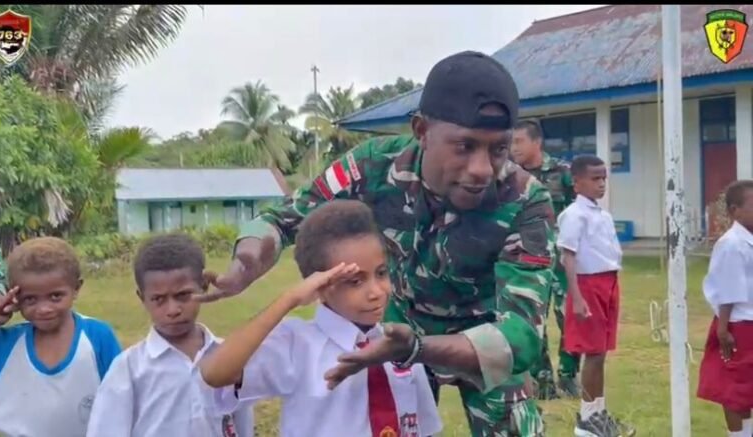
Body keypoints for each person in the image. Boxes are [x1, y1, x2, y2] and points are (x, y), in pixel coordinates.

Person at [198, 50, 557, 436]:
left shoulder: (526, 201)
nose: (482, 169)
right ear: (421, 130)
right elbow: (284, 218)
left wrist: (419, 348)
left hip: (483, 340)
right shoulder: (374, 165)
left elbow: (521, 335)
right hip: (396, 331)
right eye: (464, 146)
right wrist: (247, 262)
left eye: (499, 149)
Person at [198, 200, 443, 437]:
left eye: (381, 273)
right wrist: (289, 299)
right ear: (320, 285)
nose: (376, 291)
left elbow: (422, 428)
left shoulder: (397, 344)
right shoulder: (297, 345)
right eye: (355, 281)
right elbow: (216, 373)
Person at [85, 233, 255, 437]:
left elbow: (242, 424)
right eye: (159, 299)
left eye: (183, 295)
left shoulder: (228, 355)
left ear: (204, 286)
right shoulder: (129, 370)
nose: (173, 310)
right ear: (142, 297)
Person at [0, 237, 122, 437]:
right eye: (30, 299)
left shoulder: (97, 337)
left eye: (55, 296)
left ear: (76, 288)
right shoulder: (1, 345)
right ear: (14, 297)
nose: (44, 309)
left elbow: (123, 402)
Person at [557, 155, 634, 436]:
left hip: (608, 283)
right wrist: (577, 297)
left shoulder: (603, 215)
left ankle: (598, 412)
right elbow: (568, 256)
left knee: (601, 352)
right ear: (577, 183)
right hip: (588, 285)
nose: (601, 184)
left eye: (604, 178)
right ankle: (587, 419)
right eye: (595, 179)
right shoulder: (574, 215)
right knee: (593, 352)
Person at [510, 119, 581, 399]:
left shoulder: (563, 172)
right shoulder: (509, 175)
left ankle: (568, 375)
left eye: (519, 141)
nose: (514, 148)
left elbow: (581, 212)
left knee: (569, 317)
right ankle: (543, 381)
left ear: (536, 142)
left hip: (562, 259)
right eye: (511, 142)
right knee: (532, 318)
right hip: (527, 259)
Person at [696, 179, 753, 437]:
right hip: (737, 324)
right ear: (734, 211)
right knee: (734, 387)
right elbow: (728, 289)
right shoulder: (731, 243)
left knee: (747, 386)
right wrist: (723, 329)